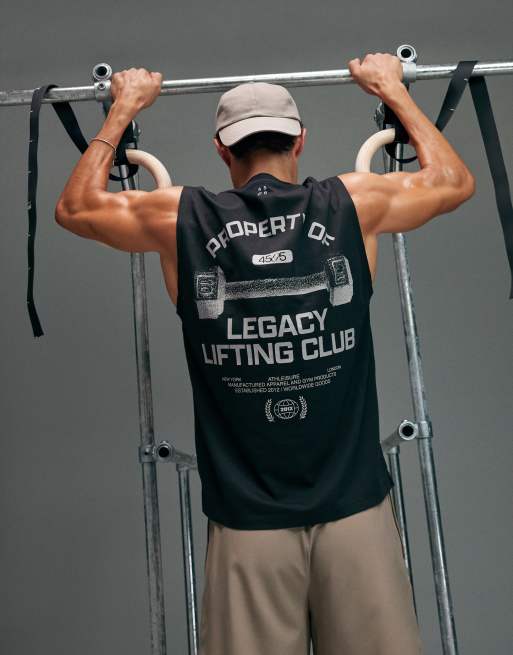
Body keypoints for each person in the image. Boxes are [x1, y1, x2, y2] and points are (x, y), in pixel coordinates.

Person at [54, 53, 475, 655]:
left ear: (222, 150)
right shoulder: (353, 203)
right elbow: (454, 182)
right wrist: (393, 91)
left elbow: (74, 208)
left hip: (248, 523)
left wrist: (122, 109)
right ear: (300, 140)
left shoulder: (180, 215)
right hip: (355, 510)